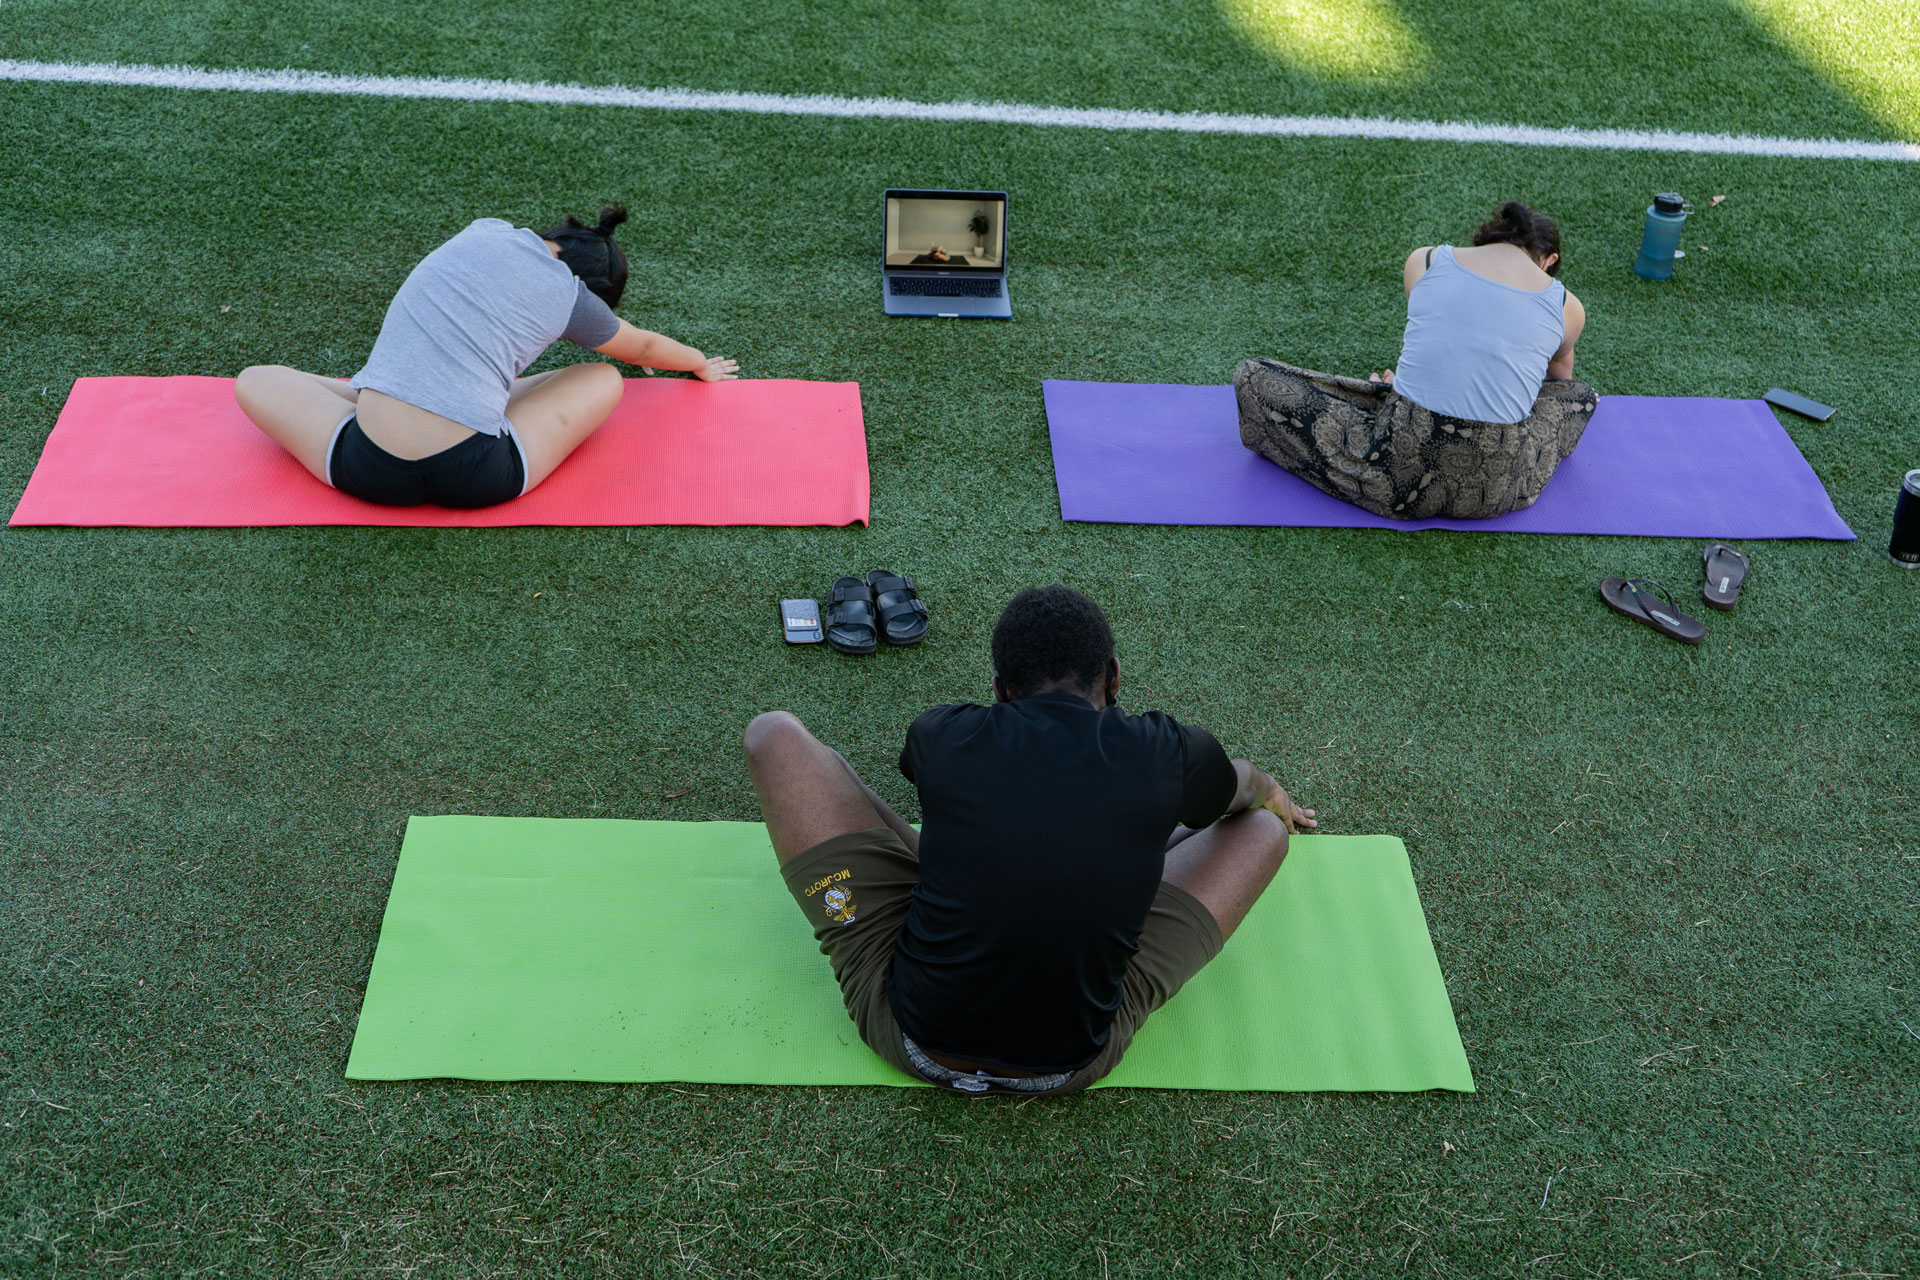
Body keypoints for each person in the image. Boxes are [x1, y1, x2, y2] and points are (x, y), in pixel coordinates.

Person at [743, 585, 1316, 1095]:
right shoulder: (1164, 751)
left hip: (914, 1035)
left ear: (999, 689)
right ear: (1114, 677)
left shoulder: (941, 734)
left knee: (776, 737)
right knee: (1262, 830)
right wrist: (1269, 791)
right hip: (1070, 1061)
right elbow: (1242, 789)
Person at [234, 207, 739, 509]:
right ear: (592, 290)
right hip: (479, 474)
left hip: (368, 467)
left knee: (256, 378)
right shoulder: (571, 296)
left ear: (558, 239)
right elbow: (643, 348)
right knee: (604, 375)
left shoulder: (485, 230)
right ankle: (389, 390)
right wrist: (696, 361)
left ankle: (371, 389)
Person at [1236, 200, 1597, 520]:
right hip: (1499, 491)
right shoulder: (1568, 306)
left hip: (1395, 479)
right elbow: (1559, 383)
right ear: (1549, 261)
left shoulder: (1425, 260)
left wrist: (1401, 397)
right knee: (1580, 395)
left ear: (1485, 239)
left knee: (1253, 378)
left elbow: (1435, 347)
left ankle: (1392, 402)